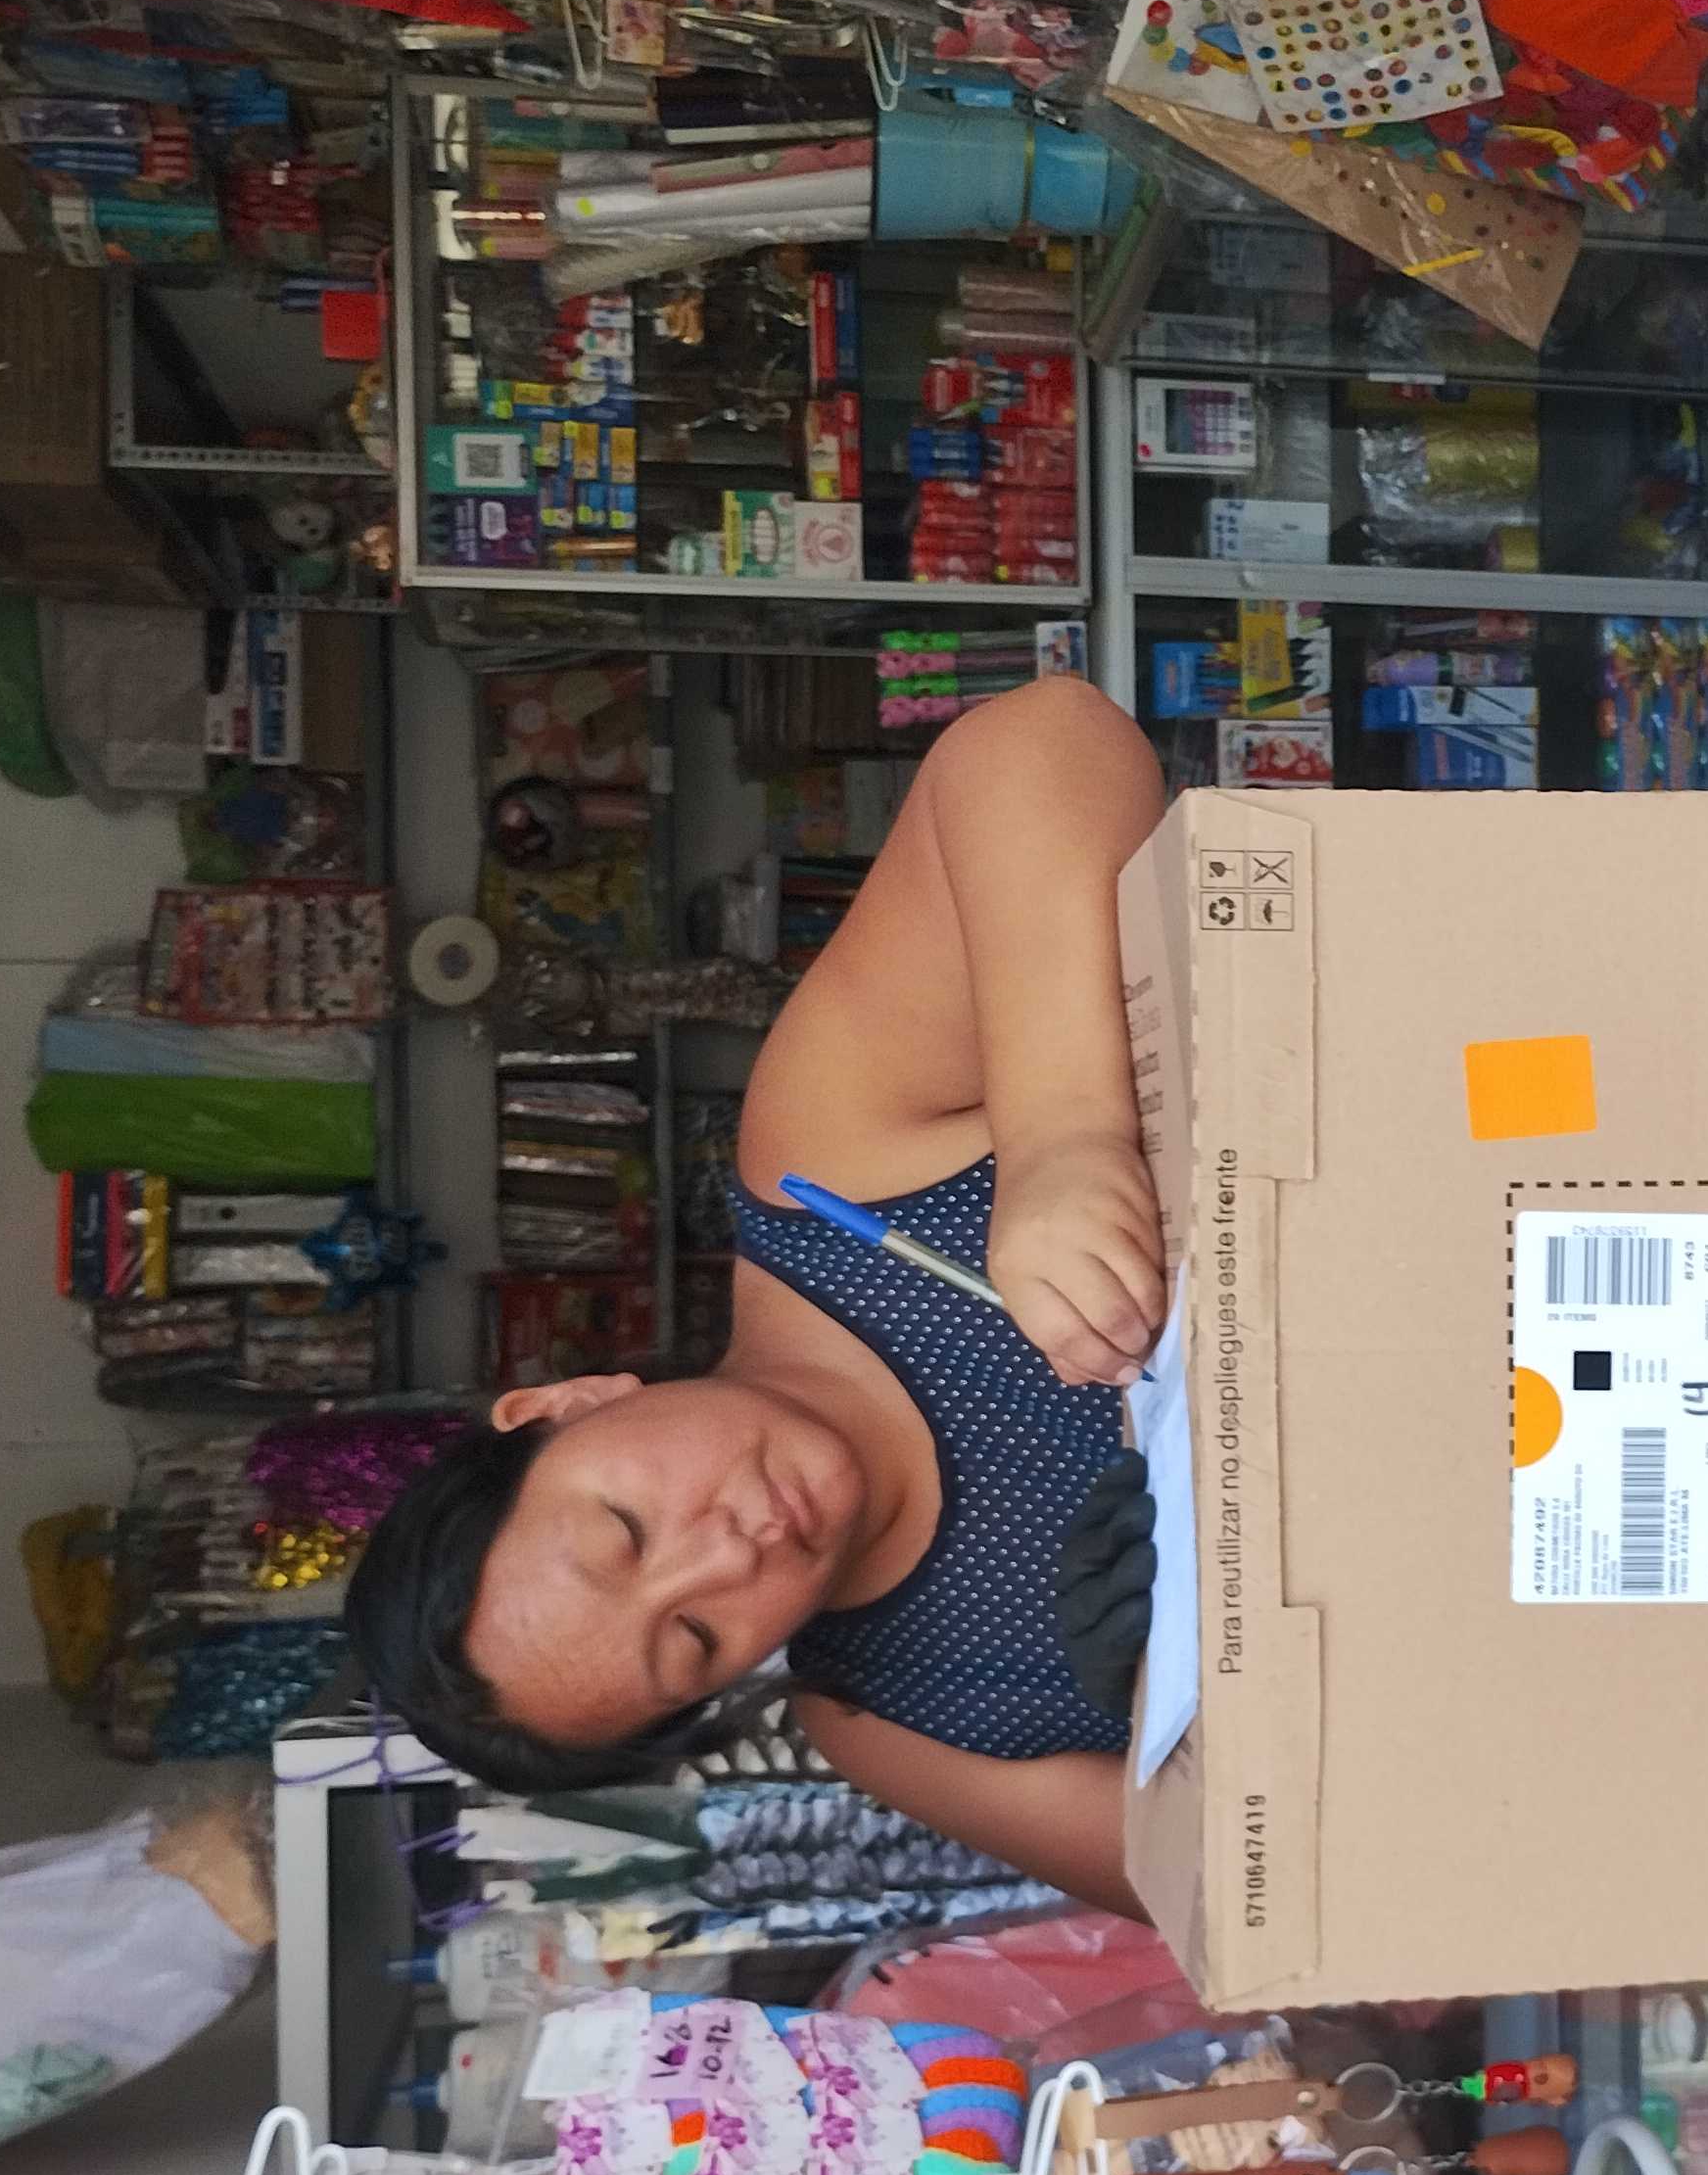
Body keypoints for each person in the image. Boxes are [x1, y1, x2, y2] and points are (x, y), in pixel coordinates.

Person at [351, 677, 1168, 1915]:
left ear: (565, 1404)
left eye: (627, 1530)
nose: (729, 1556)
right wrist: (1202, 1676)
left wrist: (1065, 1134)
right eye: (695, 1643)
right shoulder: (901, 1718)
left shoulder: (828, 1179)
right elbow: (1253, 1897)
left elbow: (1042, 740)